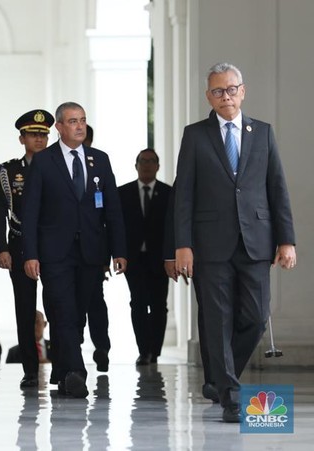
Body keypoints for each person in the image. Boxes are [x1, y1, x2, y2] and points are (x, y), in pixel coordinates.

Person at [174, 62, 296, 423]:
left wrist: (286, 240)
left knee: (256, 317)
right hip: (209, 245)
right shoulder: (195, 135)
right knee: (216, 319)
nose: (225, 96)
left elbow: (277, 188)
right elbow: (184, 195)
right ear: (208, 96)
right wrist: (183, 244)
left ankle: (217, 376)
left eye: (231, 89)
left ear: (242, 91)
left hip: (256, 241)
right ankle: (230, 394)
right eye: (217, 91)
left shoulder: (263, 133)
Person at [21, 101, 126, 398]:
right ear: (59, 127)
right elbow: (30, 212)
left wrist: (119, 250)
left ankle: (64, 370)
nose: (79, 126)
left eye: (82, 120)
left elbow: (113, 210)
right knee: (64, 310)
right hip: (55, 252)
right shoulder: (44, 161)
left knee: (78, 313)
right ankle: (77, 372)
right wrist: (30, 254)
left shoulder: (99, 160)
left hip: (92, 251)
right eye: (72, 121)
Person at [0, 108, 53, 387]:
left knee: (57, 305)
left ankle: (62, 365)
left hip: (53, 245)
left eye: (43, 135)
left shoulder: (57, 166)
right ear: (22, 138)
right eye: (32, 134)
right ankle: (29, 368)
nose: (38, 140)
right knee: (25, 308)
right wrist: (1, 248)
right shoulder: (9, 171)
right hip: (19, 245)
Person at [163, 184, 219, 403]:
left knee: (250, 315)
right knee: (210, 315)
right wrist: (171, 253)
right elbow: (177, 209)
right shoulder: (197, 155)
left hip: (245, 250)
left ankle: (228, 370)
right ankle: (215, 379)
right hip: (205, 253)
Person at [119, 148, 171, 365]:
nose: (147, 165)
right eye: (143, 161)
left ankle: (155, 351)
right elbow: (116, 227)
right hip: (134, 259)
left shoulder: (169, 193)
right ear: (136, 165)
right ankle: (144, 351)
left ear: (158, 166)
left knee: (159, 305)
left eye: (152, 161)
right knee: (138, 303)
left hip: (160, 260)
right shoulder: (122, 193)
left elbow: (173, 227)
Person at [80, 123, 111, 373]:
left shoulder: (99, 164)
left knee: (95, 302)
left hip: (94, 250)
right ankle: (75, 348)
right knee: (75, 304)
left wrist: (107, 255)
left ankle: (102, 347)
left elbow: (108, 215)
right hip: (68, 251)